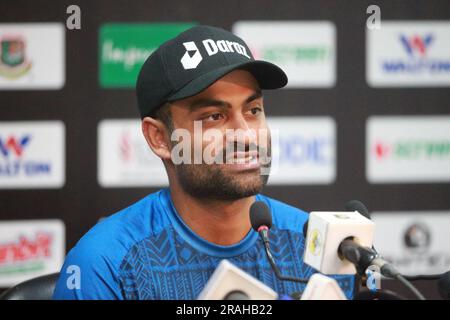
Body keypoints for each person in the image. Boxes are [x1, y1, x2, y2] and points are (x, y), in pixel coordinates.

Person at [53, 25, 354, 300]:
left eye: (253, 110)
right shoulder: (106, 263)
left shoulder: (315, 246)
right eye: (214, 117)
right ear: (159, 138)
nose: (245, 135)